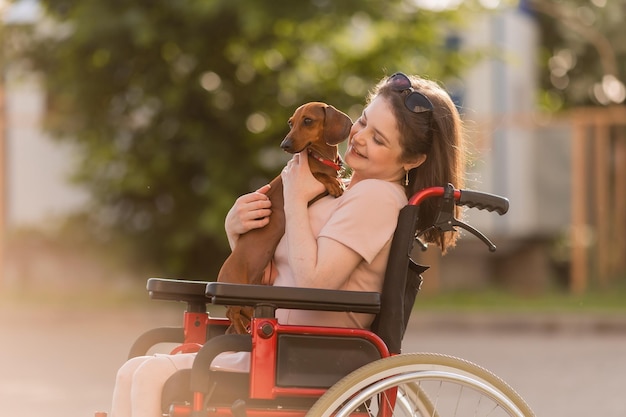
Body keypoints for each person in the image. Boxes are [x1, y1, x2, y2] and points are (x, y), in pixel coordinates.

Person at [109, 72, 465, 417]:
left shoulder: (376, 196)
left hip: (307, 355)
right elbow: (285, 263)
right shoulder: (340, 193)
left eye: (379, 139)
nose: (358, 138)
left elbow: (313, 282)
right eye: (363, 122)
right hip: (279, 343)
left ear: (412, 160)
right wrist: (238, 230)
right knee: (135, 371)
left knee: (148, 374)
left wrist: (294, 198)